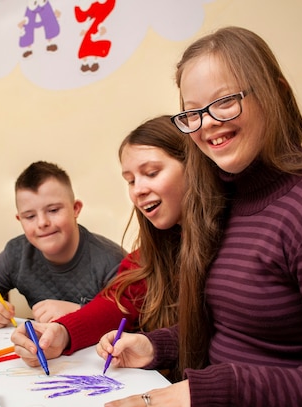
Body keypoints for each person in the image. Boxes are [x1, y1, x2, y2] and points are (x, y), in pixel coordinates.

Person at [97, 27, 302, 407]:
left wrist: (217, 391)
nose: (208, 124)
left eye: (225, 101)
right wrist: (156, 347)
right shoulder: (223, 199)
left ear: (276, 93)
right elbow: (236, 331)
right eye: (193, 112)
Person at [11, 116, 188, 371]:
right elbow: (119, 301)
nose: (137, 190)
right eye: (130, 180)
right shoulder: (153, 252)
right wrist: (62, 333)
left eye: (151, 173)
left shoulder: (232, 242)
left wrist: (154, 346)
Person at [0, 160, 125, 329]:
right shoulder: (17, 253)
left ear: (75, 209)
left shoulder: (111, 260)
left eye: (53, 210)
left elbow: (135, 317)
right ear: (20, 219)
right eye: (30, 216)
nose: (42, 223)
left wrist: (80, 313)